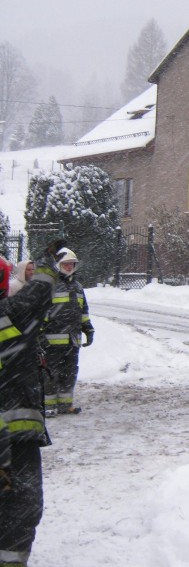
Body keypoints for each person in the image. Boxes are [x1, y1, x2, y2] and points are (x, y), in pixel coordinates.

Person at [0, 240, 63, 567]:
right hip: (15, 436)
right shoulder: (13, 315)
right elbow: (39, 291)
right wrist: (48, 261)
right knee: (21, 505)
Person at [39, 249, 94, 417]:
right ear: (58, 265)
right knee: (50, 374)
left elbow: (83, 311)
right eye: (66, 264)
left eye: (71, 264)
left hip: (72, 341)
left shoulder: (77, 287)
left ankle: (65, 405)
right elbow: (41, 312)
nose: (69, 267)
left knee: (69, 373)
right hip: (52, 341)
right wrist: (40, 335)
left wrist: (88, 329)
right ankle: (49, 406)